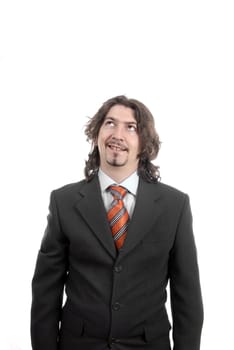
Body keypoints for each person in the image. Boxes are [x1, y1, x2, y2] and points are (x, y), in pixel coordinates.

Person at [31, 95, 203, 350]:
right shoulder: (63, 202)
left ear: (144, 141)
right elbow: (46, 292)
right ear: (96, 133)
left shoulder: (175, 205)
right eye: (110, 123)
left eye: (130, 127)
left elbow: (186, 296)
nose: (118, 134)